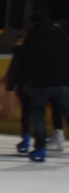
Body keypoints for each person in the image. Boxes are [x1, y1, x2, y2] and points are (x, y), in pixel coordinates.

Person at [11, 13, 69, 162]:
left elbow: (30, 62)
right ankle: (50, 141)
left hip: (41, 84)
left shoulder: (34, 38)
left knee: (37, 115)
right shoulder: (62, 37)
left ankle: (40, 149)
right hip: (62, 83)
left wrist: (24, 82)